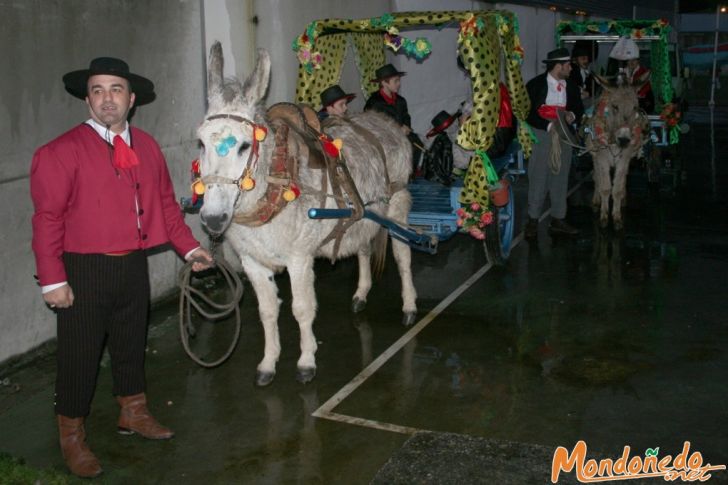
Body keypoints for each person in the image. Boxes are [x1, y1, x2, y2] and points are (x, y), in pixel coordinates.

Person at [30, 56, 213, 478]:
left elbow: (166, 207)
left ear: (131, 99)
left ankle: (133, 411)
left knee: (131, 344)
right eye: (97, 90)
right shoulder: (60, 152)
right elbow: (47, 220)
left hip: (132, 266)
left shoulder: (146, 146)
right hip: (82, 270)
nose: (106, 98)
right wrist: (53, 279)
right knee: (79, 357)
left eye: (115, 89)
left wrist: (190, 249)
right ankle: (72, 435)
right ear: (87, 99)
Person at [524, 48, 584, 238]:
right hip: (542, 134)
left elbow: (578, 109)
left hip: (564, 134)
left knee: (560, 176)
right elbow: (528, 113)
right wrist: (548, 126)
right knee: (538, 176)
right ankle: (533, 220)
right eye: (568, 65)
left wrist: (571, 116)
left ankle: (558, 218)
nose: (570, 68)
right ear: (558, 66)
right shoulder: (535, 85)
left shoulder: (572, 87)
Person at [364, 63, 423, 173]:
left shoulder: (401, 100)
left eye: (399, 80)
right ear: (384, 83)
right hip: (385, 139)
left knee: (417, 144)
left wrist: (406, 127)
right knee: (396, 152)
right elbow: (371, 126)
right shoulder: (374, 103)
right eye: (395, 81)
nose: (399, 84)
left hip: (403, 136)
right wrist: (396, 130)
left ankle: (409, 175)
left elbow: (406, 116)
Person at [569, 40, 597, 106]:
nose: (586, 61)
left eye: (587, 58)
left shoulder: (588, 72)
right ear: (575, 59)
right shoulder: (572, 71)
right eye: (582, 58)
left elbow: (593, 87)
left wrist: (588, 93)